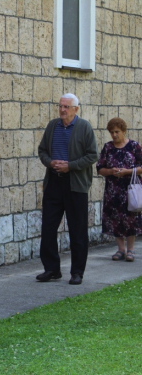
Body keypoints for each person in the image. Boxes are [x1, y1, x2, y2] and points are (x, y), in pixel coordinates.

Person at [37, 93, 99, 285]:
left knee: (77, 230)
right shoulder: (52, 126)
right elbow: (42, 151)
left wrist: (70, 166)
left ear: (76, 109)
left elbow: (92, 155)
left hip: (75, 185)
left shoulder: (84, 127)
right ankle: (52, 269)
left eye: (66, 107)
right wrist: (50, 162)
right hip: (54, 183)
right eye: (60, 106)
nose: (62, 110)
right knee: (48, 228)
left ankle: (77, 272)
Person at [97, 118, 142, 262]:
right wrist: (111, 171)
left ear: (123, 131)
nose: (114, 135)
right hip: (113, 190)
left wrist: (127, 171)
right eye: (111, 132)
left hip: (130, 189)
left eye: (117, 132)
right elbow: (99, 169)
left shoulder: (134, 146)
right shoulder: (108, 148)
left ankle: (131, 250)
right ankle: (120, 249)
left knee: (131, 218)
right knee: (114, 218)